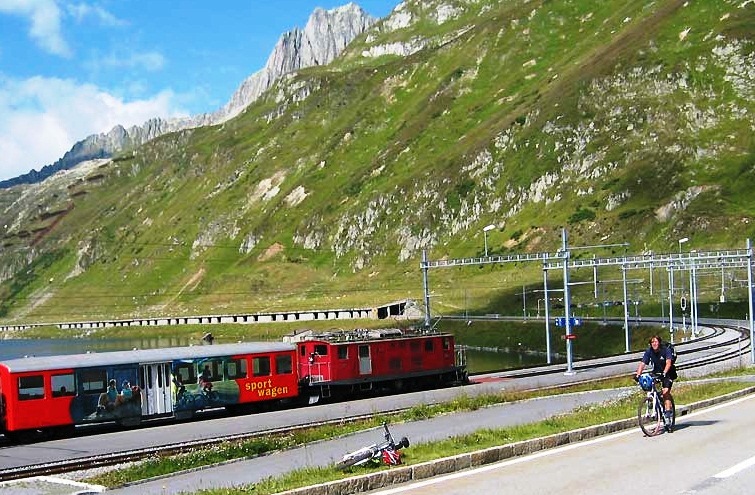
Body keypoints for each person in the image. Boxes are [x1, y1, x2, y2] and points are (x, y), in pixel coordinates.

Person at [635, 335, 677, 425]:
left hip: (668, 373)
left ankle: (668, 414)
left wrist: (665, 372)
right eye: (652, 342)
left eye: (656, 342)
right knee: (649, 386)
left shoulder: (666, 350)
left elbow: (668, 363)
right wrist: (638, 375)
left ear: (659, 342)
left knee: (665, 392)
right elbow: (642, 364)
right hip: (656, 372)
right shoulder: (649, 351)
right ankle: (653, 402)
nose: (654, 344)